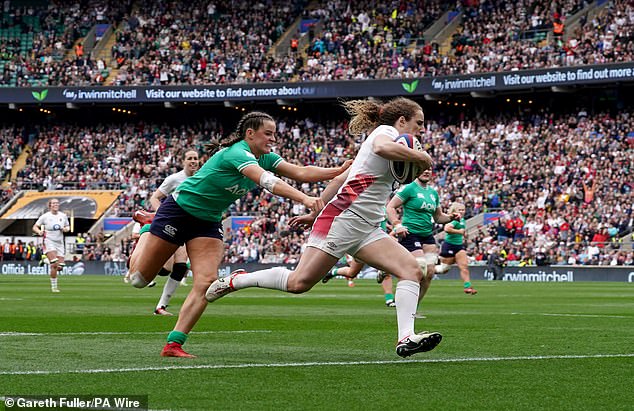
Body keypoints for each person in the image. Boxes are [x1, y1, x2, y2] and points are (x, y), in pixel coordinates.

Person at [207, 97, 442, 358]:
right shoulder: (385, 132)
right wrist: (421, 155)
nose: (422, 129)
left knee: (411, 270)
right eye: (418, 123)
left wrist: (314, 212)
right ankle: (237, 280)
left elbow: (342, 178)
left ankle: (406, 337)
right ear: (401, 121)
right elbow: (381, 147)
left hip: (367, 225)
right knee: (299, 283)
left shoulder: (392, 142)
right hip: (344, 218)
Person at [128, 111, 350, 358]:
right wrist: (305, 198)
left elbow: (300, 172)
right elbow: (267, 182)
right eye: (268, 134)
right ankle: (147, 227)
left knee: (206, 282)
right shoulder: (236, 153)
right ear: (250, 133)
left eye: (274, 134)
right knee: (139, 280)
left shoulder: (264, 157)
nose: (273, 139)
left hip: (208, 222)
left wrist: (337, 170)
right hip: (178, 212)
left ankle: (173, 344)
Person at [386, 170, 476, 305]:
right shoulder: (409, 188)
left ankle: (413, 307)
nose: (426, 171)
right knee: (420, 267)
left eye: (429, 169)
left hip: (427, 235)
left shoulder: (433, 193)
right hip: (410, 233)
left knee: (430, 273)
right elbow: (390, 207)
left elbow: (438, 217)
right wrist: (397, 224)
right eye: (423, 168)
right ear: (416, 170)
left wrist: (450, 217)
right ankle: (388, 269)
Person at [148, 149, 200, 316]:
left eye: (195, 158)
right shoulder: (174, 179)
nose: (193, 161)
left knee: (180, 267)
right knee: (165, 268)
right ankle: (137, 262)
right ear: (183, 161)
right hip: (172, 225)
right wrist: (161, 215)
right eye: (190, 158)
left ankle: (161, 306)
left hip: (191, 228)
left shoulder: (203, 178)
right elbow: (154, 198)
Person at [438, 202, 477, 293]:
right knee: (443, 269)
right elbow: (447, 228)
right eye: (460, 210)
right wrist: (460, 232)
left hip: (458, 246)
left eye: (463, 210)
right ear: (455, 211)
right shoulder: (454, 219)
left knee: (464, 266)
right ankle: (426, 270)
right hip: (449, 245)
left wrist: (463, 235)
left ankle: (467, 287)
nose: (462, 211)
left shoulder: (462, 219)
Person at [32, 198, 70, 292]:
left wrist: (66, 229)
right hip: (49, 241)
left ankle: (45, 260)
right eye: (53, 203)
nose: (56, 204)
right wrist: (39, 231)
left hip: (60, 242)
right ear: (50, 205)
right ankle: (54, 287)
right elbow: (35, 227)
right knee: (54, 263)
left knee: (60, 267)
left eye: (57, 203)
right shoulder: (45, 216)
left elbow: (67, 226)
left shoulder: (63, 215)